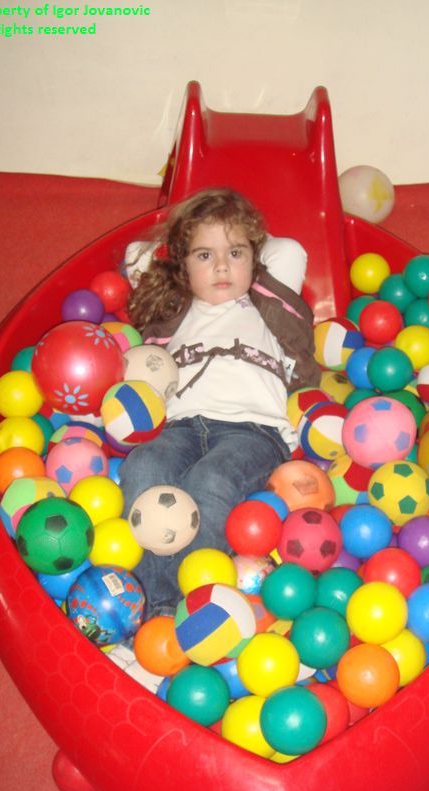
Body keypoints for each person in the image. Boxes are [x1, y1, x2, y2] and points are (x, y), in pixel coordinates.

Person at [119, 187, 321, 616]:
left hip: (253, 432)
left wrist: (243, 237)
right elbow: (137, 255)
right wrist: (177, 257)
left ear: (255, 257)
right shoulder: (175, 312)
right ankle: (149, 604)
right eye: (204, 256)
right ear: (182, 265)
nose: (223, 267)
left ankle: (176, 610)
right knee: (143, 465)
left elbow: (289, 250)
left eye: (236, 253)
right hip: (179, 426)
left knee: (209, 482)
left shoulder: (267, 306)